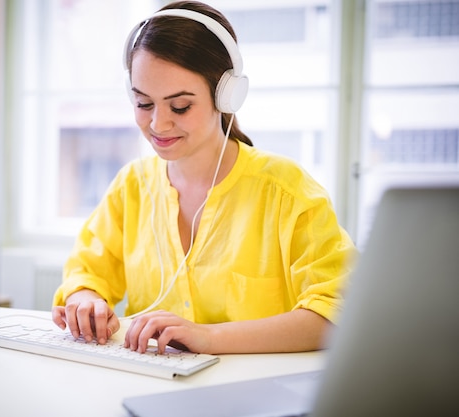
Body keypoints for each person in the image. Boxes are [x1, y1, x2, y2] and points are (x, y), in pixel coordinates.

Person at [51, 0, 356, 355]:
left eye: (180, 106)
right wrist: (86, 300)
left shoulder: (286, 191)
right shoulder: (131, 186)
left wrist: (210, 338)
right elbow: (87, 272)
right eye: (143, 103)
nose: (158, 124)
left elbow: (338, 316)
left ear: (225, 96)